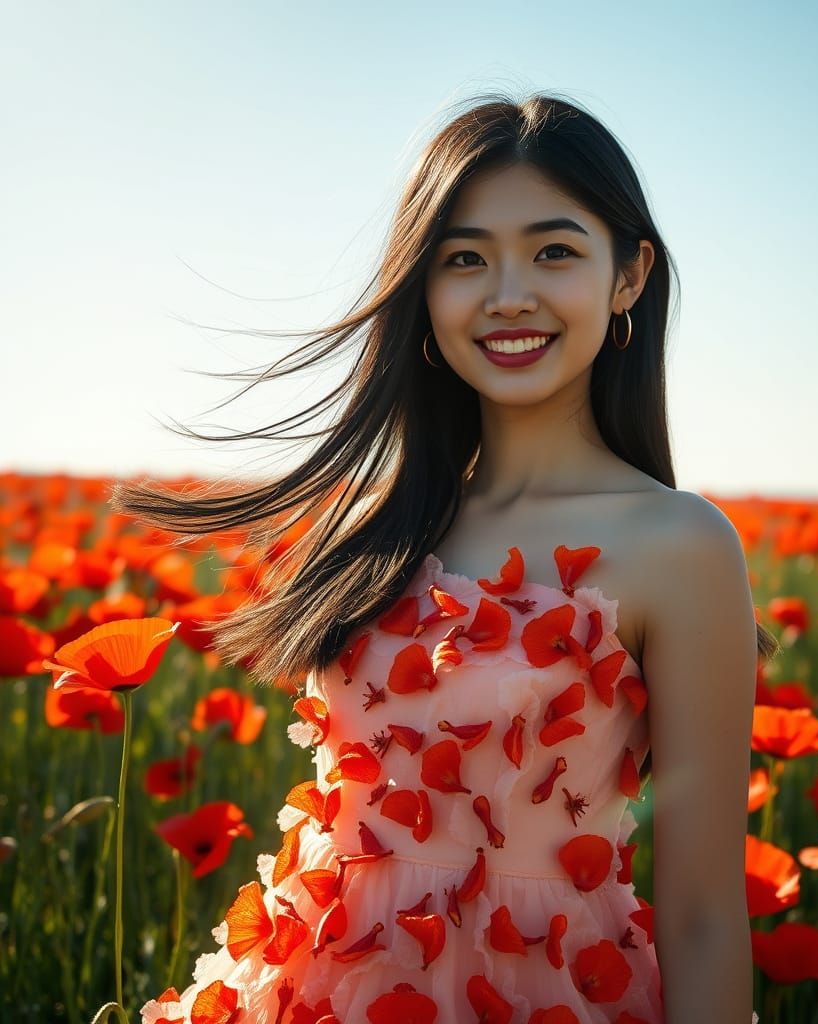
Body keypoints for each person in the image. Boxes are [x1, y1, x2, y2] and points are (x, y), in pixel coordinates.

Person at [120, 91, 773, 1024]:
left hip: (544, 989)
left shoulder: (678, 544)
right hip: (318, 990)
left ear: (629, 275)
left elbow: (705, 914)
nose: (508, 294)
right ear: (423, 287)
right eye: (464, 258)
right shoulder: (384, 523)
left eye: (553, 251)